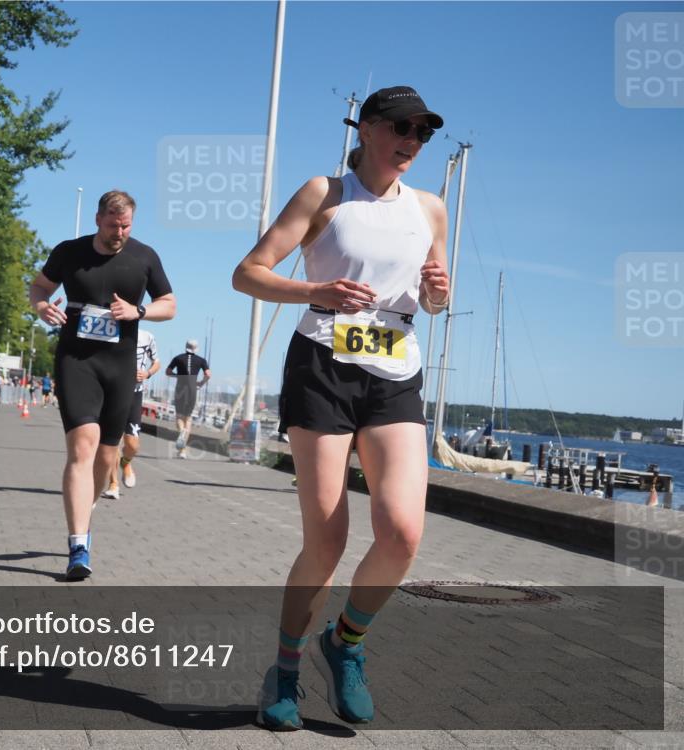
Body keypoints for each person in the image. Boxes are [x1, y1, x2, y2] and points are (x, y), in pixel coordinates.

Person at [232, 86, 450, 730]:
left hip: (395, 370)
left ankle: (346, 642)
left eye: (424, 131)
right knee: (327, 539)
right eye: (403, 127)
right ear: (368, 129)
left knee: (403, 533)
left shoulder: (431, 209)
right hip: (322, 362)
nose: (413, 139)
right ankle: (287, 669)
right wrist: (315, 287)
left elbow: (431, 299)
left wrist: (437, 294)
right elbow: (247, 273)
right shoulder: (323, 194)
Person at [29, 190, 176, 580]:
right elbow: (39, 286)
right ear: (98, 219)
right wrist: (42, 306)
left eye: (126, 225)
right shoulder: (69, 251)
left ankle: (85, 513)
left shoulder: (144, 257)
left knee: (107, 457)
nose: (119, 233)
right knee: (82, 445)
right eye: (113, 225)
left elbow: (170, 304)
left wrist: (139, 310)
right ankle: (78, 544)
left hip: (120, 365)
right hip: (77, 360)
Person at [100, 328, 161, 499]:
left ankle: (125, 463)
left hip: (135, 393)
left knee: (132, 445)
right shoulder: (110, 330)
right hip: (113, 392)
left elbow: (157, 362)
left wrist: (147, 373)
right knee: (113, 442)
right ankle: (113, 484)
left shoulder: (147, 336)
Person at [165, 340, 210, 458]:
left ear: (185, 347)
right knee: (188, 419)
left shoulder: (178, 358)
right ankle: (183, 451)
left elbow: (168, 372)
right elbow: (208, 374)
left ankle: (181, 433)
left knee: (179, 417)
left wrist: (177, 376)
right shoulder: (201, 360)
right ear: (196, 349)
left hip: (180, 387)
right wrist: (201, 383)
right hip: (192, 388)